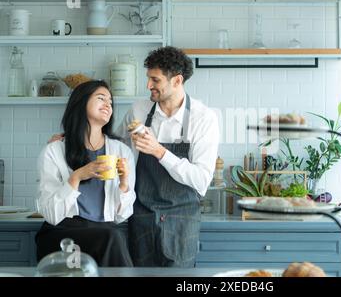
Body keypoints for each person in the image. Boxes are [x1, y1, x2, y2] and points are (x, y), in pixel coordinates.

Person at [115, 46, 220, 267]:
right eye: (148, 78)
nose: (148, 86)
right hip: (140, 215)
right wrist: (74, 135)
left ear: (177, 81)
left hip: (182, 219)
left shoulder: (203, 119)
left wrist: (159, 151)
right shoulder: (139, 111)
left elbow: (201, 180)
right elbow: (113, 144)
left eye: (155, 80)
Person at [35, 80, 136, 267]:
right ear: (81, 103)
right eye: (101, 98)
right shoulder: (53, 151)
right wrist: (77, 177)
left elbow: (122, 216)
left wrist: (123, 184)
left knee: (112, 235)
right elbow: (51, 214)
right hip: (62, 232)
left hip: (104, 231)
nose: (108, 104)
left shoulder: (122, 151)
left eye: (110, 102)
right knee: (112, 237)